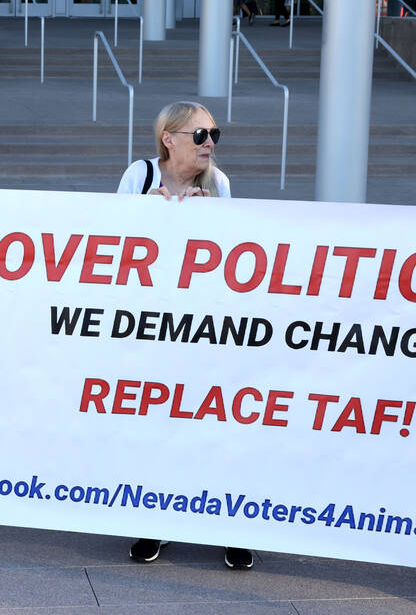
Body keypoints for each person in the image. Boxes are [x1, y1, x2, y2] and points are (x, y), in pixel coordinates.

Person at [117, 101, 252, 570]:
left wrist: (209, 219)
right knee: (159, 423)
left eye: (214, 133)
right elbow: (109, 245)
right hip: (152, 329)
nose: (210, 142)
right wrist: (148, 217)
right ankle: (158, 520)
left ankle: (230, 524)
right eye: (199, 134)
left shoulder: (220, 185)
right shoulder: (138, 177)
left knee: (216, 423)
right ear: (168, 139)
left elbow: (238, 261)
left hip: (207, 329)